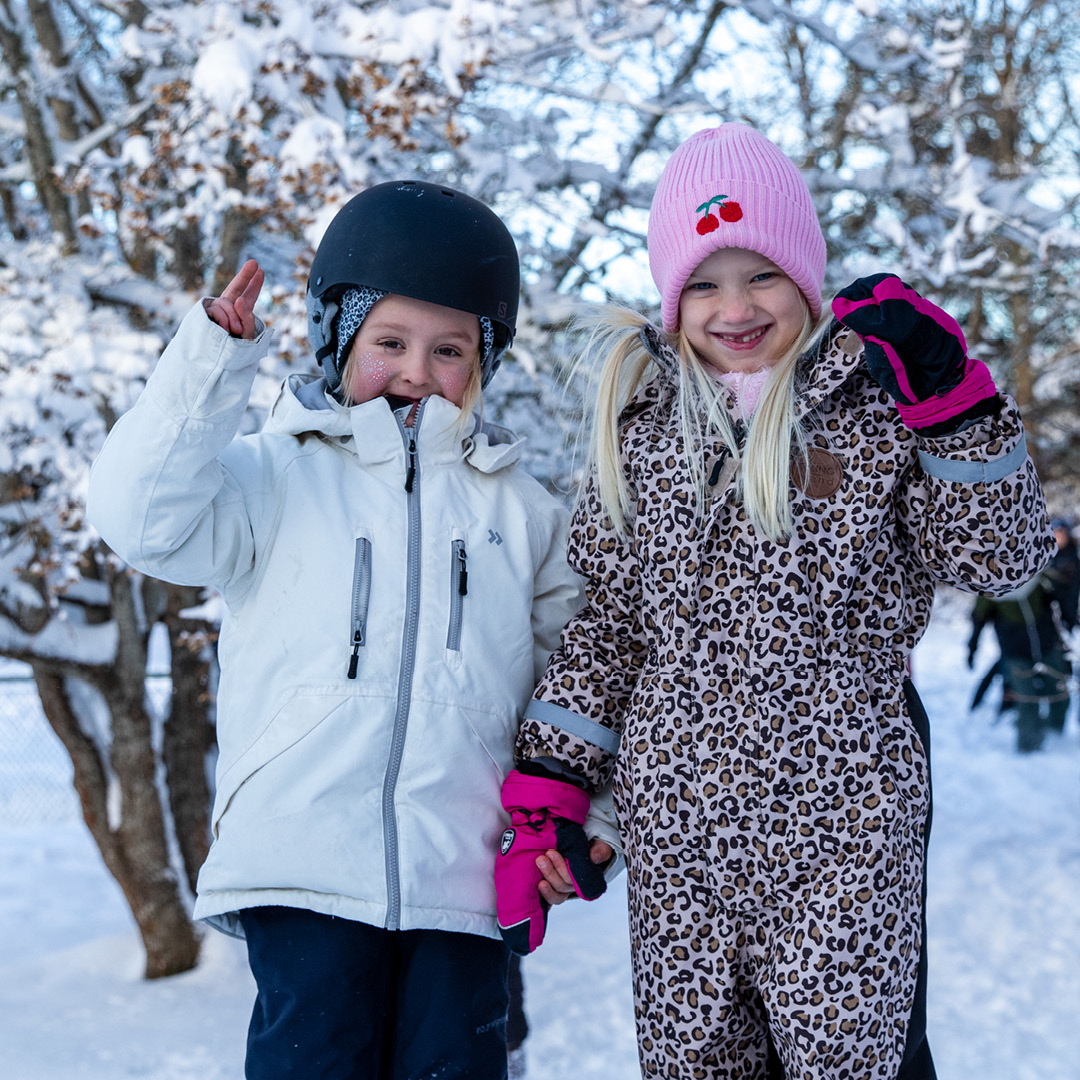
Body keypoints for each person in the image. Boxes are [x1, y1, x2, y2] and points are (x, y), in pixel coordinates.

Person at [494, 124, 1054, 1080]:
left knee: (847, 1062)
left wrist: (952, 406)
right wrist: (553, 783)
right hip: (679, 844)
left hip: (842, 827)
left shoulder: (877, 411)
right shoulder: (639, 433)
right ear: (673, 300)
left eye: (761, 276)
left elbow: (1001, 558)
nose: (735, 307)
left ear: (807, 279)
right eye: (704, 283)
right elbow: (612, 628)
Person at [86, 180, 605, 1079]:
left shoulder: (524, 514)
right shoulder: (270, 479)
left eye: (449, 349)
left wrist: (586, 817)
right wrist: (209, 367)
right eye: (390, 341)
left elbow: (585, 680)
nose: (416, 370)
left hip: (464, 876)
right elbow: (142, 522)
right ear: (339, 338)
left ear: (483, 362)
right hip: (300, 864)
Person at [967, 573, 1071, 751]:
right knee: (1026, 698)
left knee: (1058, 690)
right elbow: (979, 619)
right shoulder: (989, 587)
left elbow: (1058, 597)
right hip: (1015, 651)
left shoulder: (1034, 574)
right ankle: (1028, 747)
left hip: (1047, 645)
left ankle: (1055, 737)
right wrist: (972, 649)